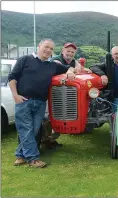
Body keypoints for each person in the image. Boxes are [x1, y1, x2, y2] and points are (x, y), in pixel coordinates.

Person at [8, 38, 79, 168]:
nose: (48, 50)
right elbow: (12, 77)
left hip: (40, 102)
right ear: (39, 46)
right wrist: (15, 95)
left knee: (34, 130)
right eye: (46, 47)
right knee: (26, 129)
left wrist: (69, 71)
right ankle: (33, 159)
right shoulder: (25, 59)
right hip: (24, 100)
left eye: (51, 49)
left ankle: (20, 155)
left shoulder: (52, 65)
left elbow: (70, 67)